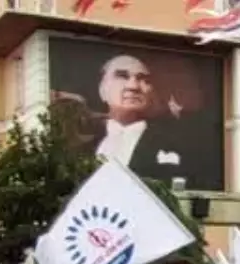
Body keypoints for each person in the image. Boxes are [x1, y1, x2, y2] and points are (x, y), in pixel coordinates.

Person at [77, 55, 203, 185]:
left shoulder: (178, 143)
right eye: (122, 76)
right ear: (102, 90)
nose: (133, 86)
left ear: (151, 91)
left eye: (143, 79)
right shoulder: (82, 145)